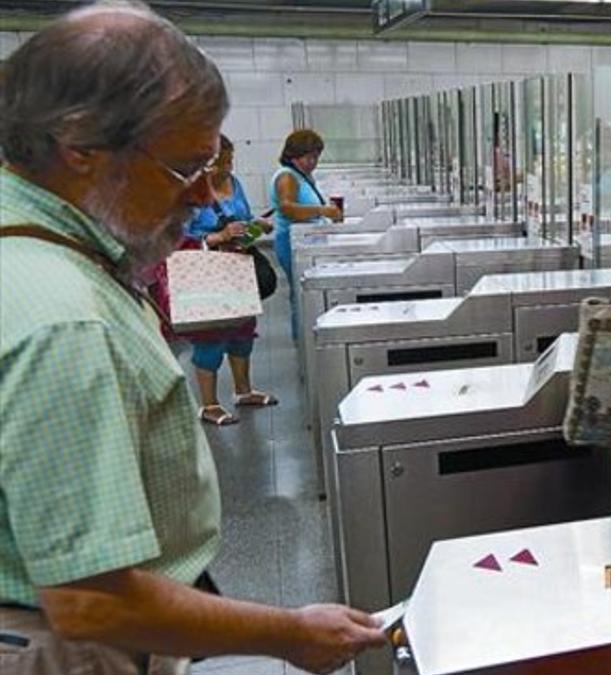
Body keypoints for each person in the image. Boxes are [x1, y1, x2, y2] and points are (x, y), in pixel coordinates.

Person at [0, 3, 385, 672]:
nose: (208, 197)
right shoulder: (64, 319)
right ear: (79, 147)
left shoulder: (39, 244)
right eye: (185, 168)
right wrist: (288, 633)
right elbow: (93, 600)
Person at [184, 134, 277, 426]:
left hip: (239, 268)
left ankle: (243, 390)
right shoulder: (189, 191)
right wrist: (218, 237)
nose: (229, 166)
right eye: (224, 161)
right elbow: (179, 237)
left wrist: (255, 226)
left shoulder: (234, 184)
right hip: (208, 271)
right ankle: (209, 405)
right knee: (210, 336)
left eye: (230, 159)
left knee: (243, 330)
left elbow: (245, 217)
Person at [270, 129, 341, 339]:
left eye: (316, 157)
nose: (313, 162)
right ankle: (302, 341)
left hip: (307, 239)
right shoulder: (287, 177)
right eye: (309, 157)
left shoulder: (301, 175)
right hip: (293, 242)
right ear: (294, 155)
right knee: (300, 296)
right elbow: (287, 208)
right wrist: (322, 211)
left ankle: (305, 342)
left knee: (302, 295)